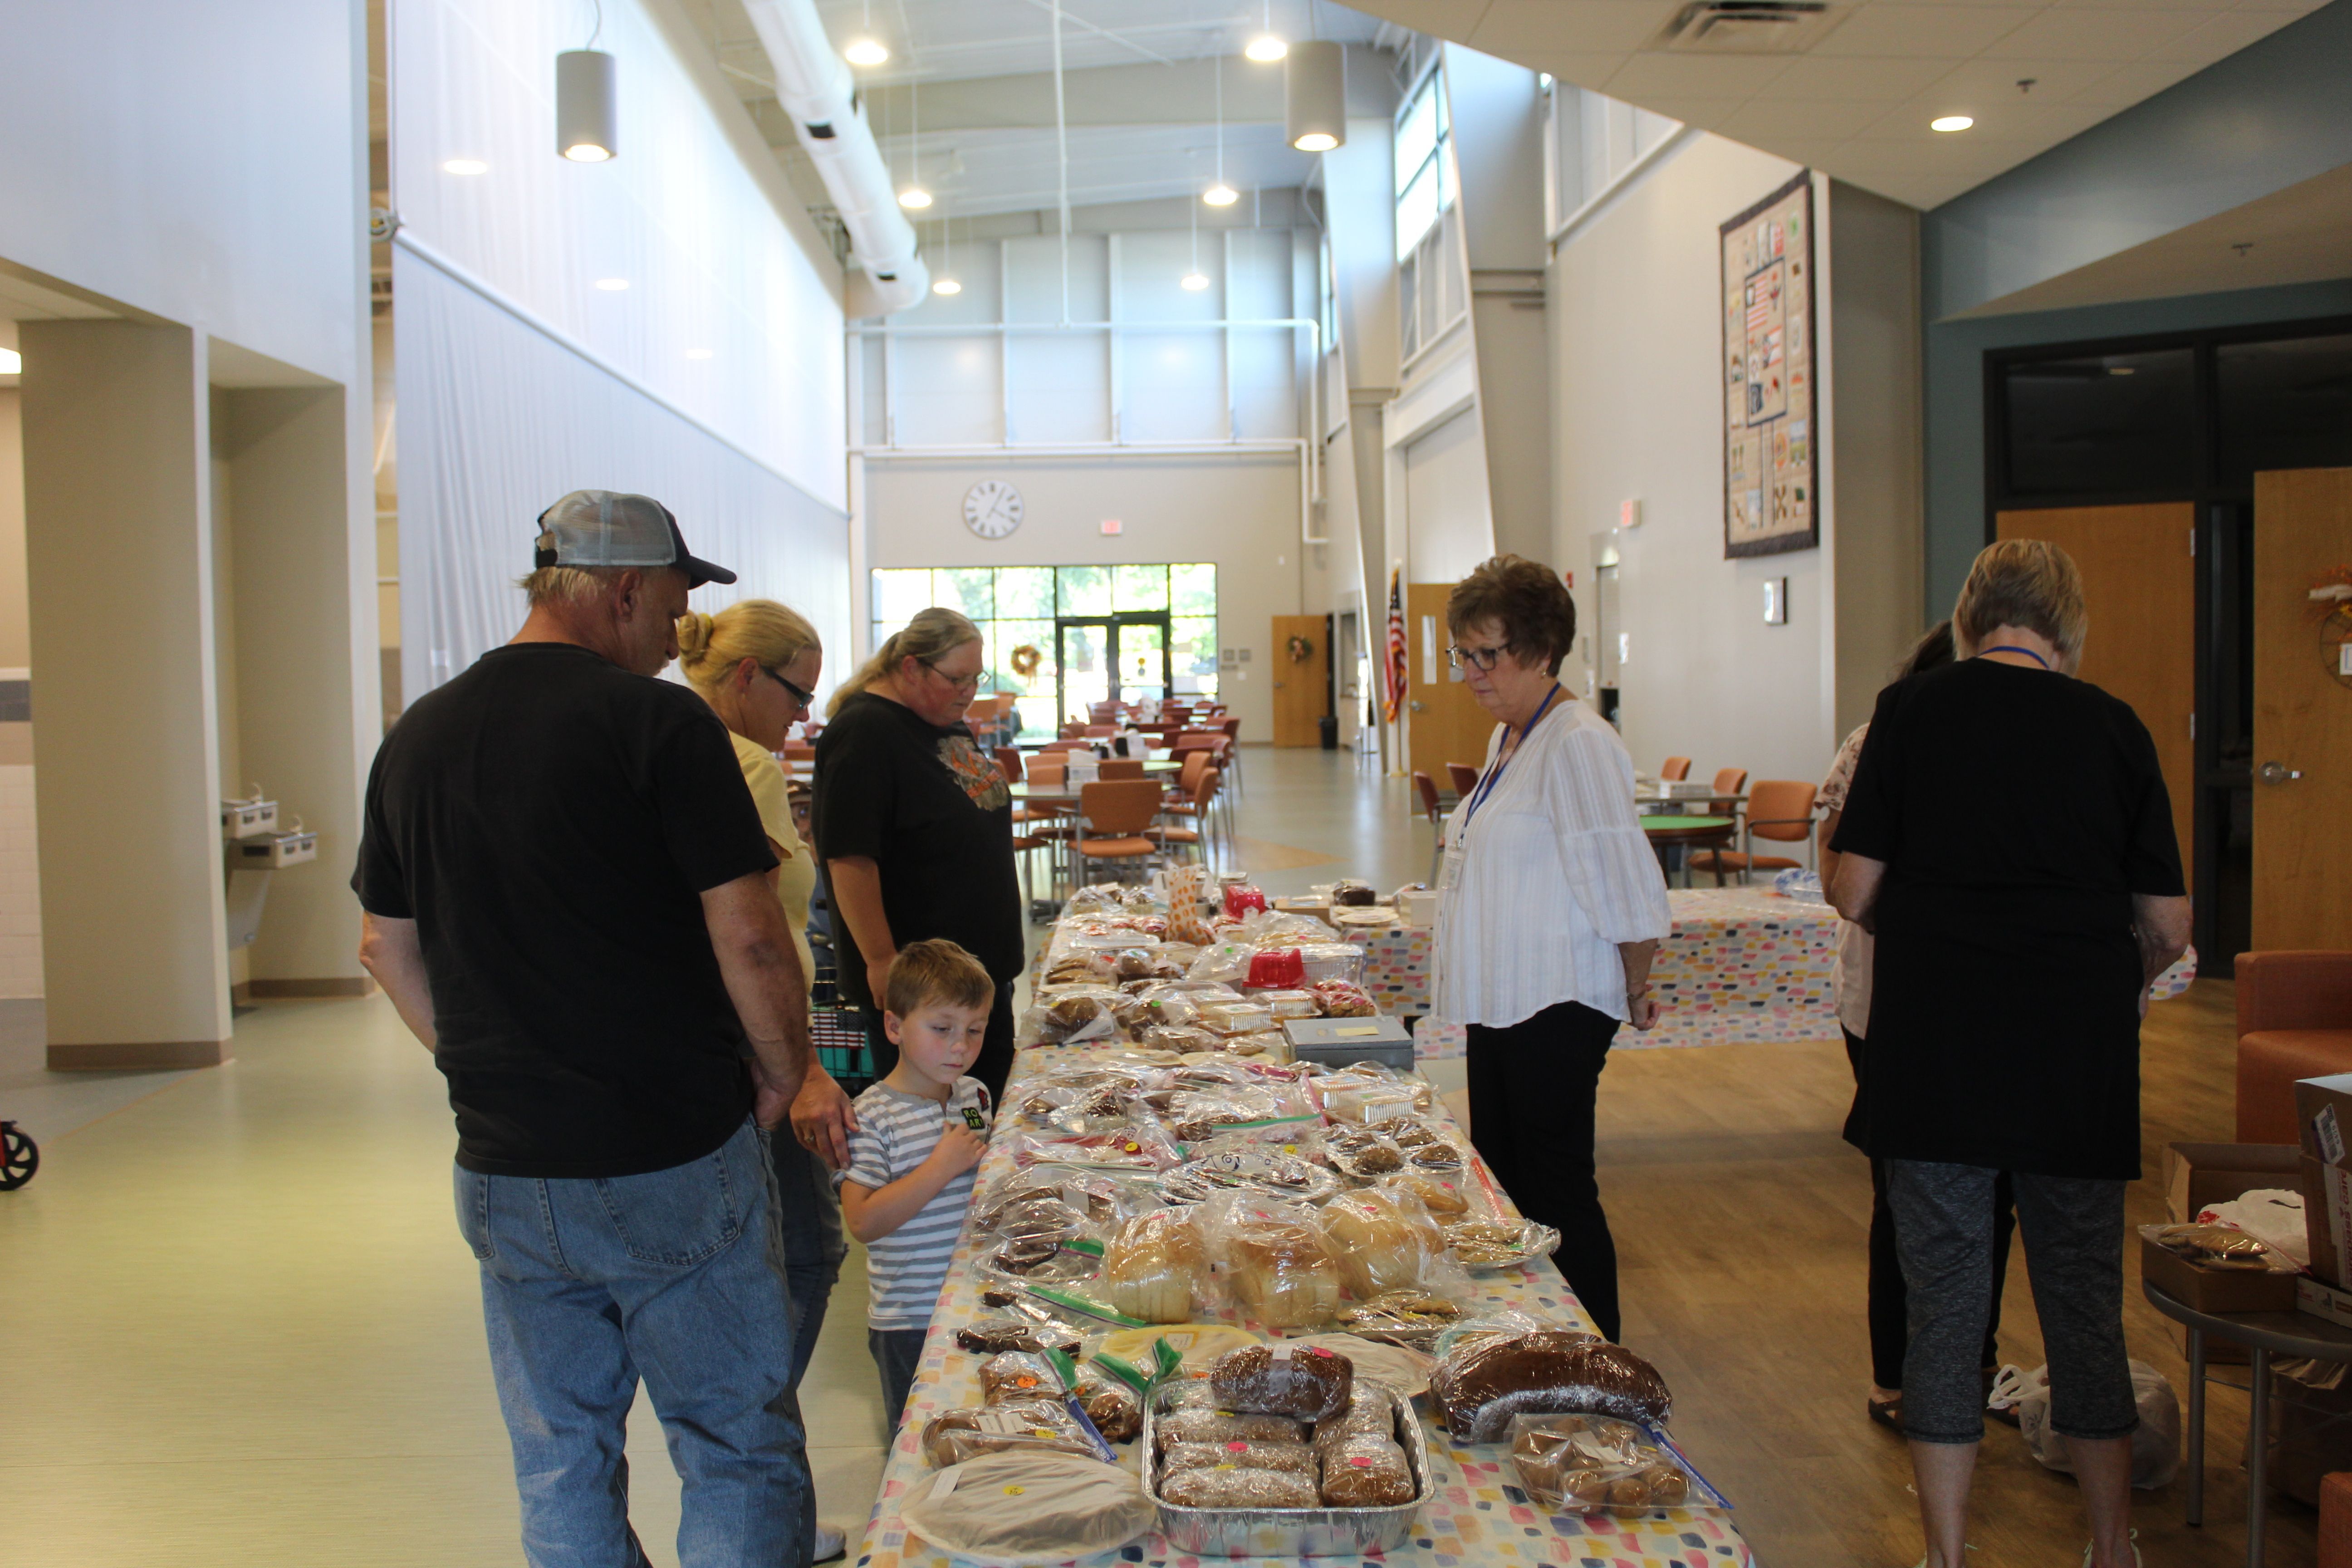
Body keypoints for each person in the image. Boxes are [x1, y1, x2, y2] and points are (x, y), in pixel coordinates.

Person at [353, 490, 821, 1568]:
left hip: (506, 1166)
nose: (678, 632)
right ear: (620, 590)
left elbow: (386, 946)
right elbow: (750, 938)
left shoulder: (418, 733)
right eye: (672, 603)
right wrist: (781, 1070)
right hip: (668, 1147)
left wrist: (486, 1062)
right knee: (735, 1445)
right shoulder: (658, 724)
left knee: (562, 1456)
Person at [1829, 539, 2191, 1568]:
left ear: (1968, 616)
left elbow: (1854, 890)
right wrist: (2112, 974)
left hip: (1933, 1053)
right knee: (2080, 1301)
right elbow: (2169, 918)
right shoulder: (2114, 727)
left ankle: (1946, 1552)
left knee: (1944, 1305)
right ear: (2066, 625)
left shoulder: (1908, 713)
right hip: (2073, 1061)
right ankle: (2111, 1544)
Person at [1430, 554, 1671, 1345]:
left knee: (1556, 1191)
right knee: (1506, 1190)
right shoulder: (1512, 735)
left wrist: (1635, 987)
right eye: (1461, 654)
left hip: (1554, 1004)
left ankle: (1594, 1358)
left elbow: (1624, 885)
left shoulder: (1576, 742)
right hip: (1503, 1003)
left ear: (1538, 649)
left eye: (1484, 654)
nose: (1469, 672)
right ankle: (1529, 1345)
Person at [676, 599, 854, 1564]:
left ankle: (752, 1500)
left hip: (699, 1059)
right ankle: (755, 1503)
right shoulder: (737, 764)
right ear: (746, 677)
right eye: (797, 695)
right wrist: (808, 1069)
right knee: (806, 1259)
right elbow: (760, 938)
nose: (802, 718)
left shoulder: (649, 742)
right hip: (765, 1060)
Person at [1820, 622, 2019, 1434]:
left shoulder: (2023, 740)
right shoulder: (1876, 741)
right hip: (1888, 1000)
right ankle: (1894, 1374)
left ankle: (1973, 1360)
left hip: (1992, 1003)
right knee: (1905, 1190)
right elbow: (1840, 877)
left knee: (1994, 1190)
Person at [813, 608, 1023, 1102]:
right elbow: (849, 859)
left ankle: (977, 1175)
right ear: (911, 668)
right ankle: (945, 1182)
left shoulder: (944, 720)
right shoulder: (865, 733)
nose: (969, 691)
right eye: (957, 678)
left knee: (980, 1107)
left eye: (976, 678)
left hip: (978, 973)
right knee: (931, 1124)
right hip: (927, 989)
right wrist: (881, 960)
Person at [834, 940, 996, 1421]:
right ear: (894, 1027)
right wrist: (939, 1167)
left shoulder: (973, 1094)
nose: (960, 1046)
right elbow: (862, 1221)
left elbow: (980, 1162)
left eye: (975, 1030)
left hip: (974, 1303)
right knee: (917, 1434)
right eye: (942, 1029)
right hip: (910, 1318)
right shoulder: (871, 1117)